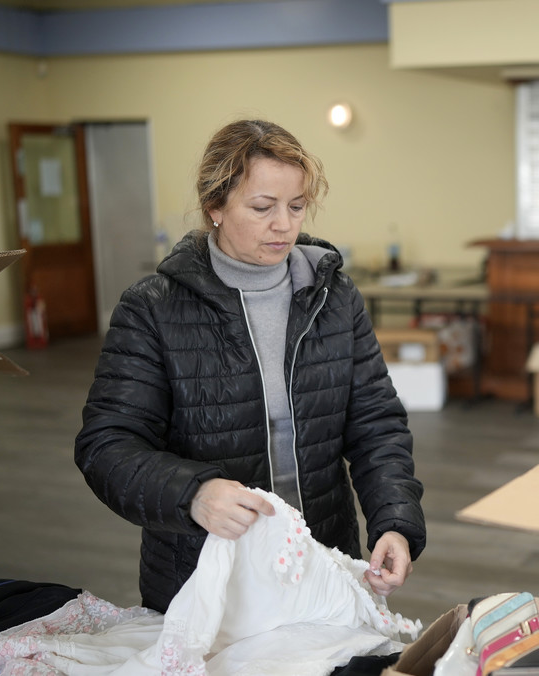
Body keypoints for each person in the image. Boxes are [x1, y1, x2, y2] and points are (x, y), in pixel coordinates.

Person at [74, 119, 426, 613]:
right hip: (204, 578)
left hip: (321, 561)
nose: (284, 224)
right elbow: (106, 446)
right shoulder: (152, 308)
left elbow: (376, 424)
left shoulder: (334, 297)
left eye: (297, 206)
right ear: (214, 207)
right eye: (262, 208)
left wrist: (395, 520)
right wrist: (193, 494)